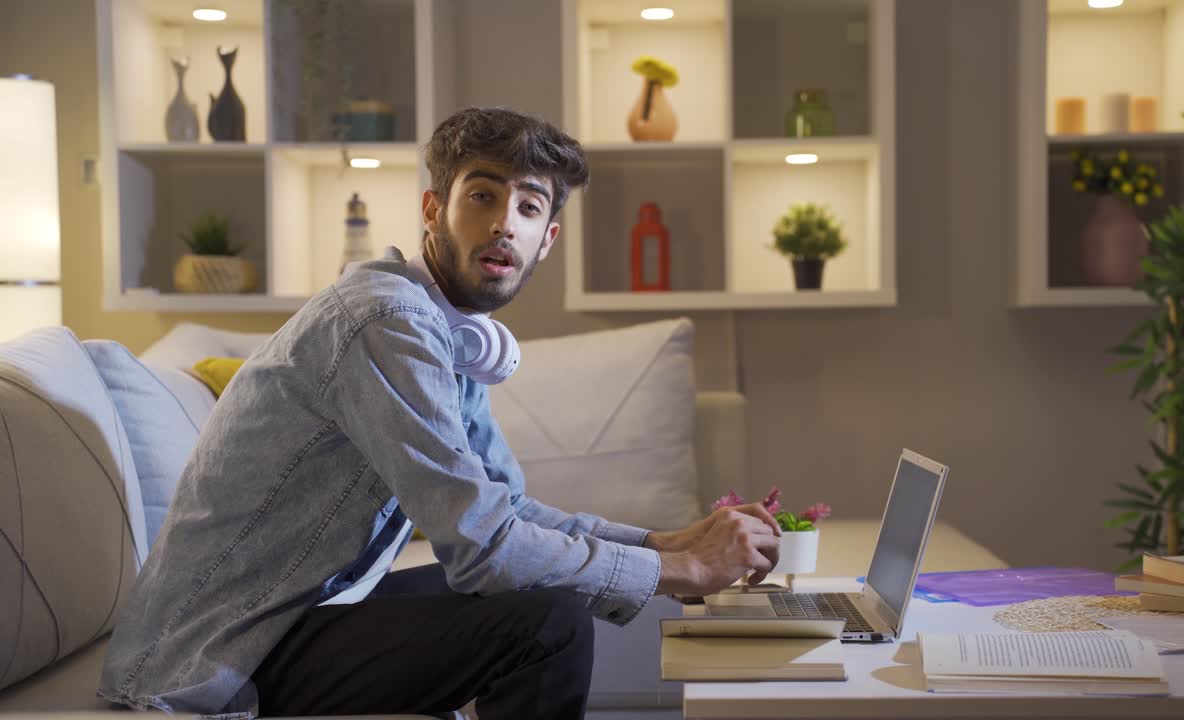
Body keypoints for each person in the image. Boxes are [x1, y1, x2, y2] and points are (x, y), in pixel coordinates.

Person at [98, 106, 781, 720]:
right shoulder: (386, 321)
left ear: (546, 238)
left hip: (296, 615)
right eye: (482, 195)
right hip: (217, 653)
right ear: (433, 209)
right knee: (547, 622)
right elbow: (485, 551)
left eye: (528, 206)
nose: (503, 222)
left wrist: (663, 544)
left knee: (545, 589)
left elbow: (505, 511)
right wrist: (684, 573)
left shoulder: (447, 333)